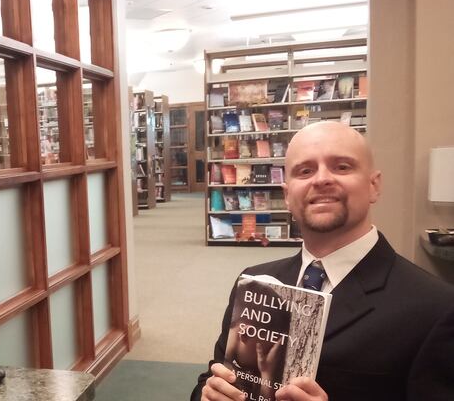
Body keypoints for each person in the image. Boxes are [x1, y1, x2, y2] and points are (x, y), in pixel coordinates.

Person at [191, 121, 454, 401]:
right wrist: (207, 395)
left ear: (374, 185)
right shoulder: (256, 282)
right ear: (288, 195)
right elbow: (215, 376)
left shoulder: (436, 307)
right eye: (305, 171)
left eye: (342, 166)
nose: (321, 179)